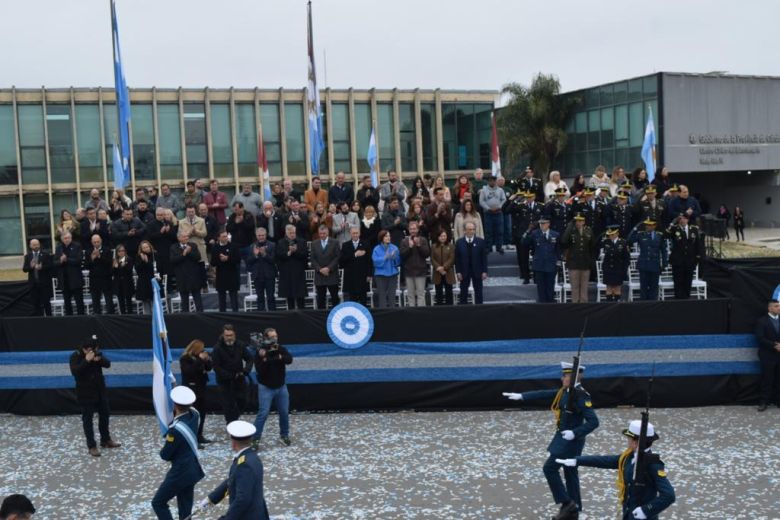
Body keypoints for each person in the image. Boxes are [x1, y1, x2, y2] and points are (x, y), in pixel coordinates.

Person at [504, 362, 599, 519]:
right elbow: (546, 394)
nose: (562, 378)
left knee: (549, 468)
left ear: (574, 377)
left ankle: (567, 503)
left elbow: (593, 422)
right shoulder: (566, 391)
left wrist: (575, 433)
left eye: (566, 376)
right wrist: (522, 396)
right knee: (570, 472)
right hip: (564, 439)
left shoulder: (581, 395)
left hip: (571, 441)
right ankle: (574, 510)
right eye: (563, 375)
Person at [558, 420, 675, 519]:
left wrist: (646, 510)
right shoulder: (628, 457)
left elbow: (669, 495)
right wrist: (577, 460)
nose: (627, 440)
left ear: (636, 442)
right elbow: (605, 460)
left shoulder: (653, 464)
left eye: (629, 438)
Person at [152, 386, 205, 520]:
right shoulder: (195, 414)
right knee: (185, 510)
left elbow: (165, 455)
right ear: (191, 403)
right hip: (192, 469)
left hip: (180, 471)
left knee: (158, 502)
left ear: (174, 404)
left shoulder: (175, 430)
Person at [199, 421, 270, 519]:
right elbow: (233, 480)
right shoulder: (251, 457)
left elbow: (243, 499)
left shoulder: (244, 464)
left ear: (233, 443)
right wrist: (211, 499)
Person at [69, 335, 121, 457]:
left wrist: (100, 360)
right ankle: (91, 446)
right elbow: (75, 372)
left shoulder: (96, 353)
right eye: (92, 350)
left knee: (105, 415)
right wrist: (86, 360)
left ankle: (106, 440)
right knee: (88, 420)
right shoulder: (75, 356)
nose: (94, 352)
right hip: (85, 393)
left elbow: (108, 364)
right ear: (86, 349)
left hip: (100, 391)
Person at [251, 328, 293, 447]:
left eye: (276, 336)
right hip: (265, 387)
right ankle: (255, 439)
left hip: (281, 386)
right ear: (266, 338)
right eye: (272, 337)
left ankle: (284, 435)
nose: (275, 339)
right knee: (263, 413)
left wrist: (276, 357)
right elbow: (260, 370)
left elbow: (289, 359)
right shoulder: (260, 351)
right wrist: (266, 359)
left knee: (284, 412)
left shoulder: (280, 348)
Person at [211, 324, 253, 424]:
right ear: (223, 335)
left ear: (234, 335)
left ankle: (234, 419)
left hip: (239, 378)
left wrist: (246, 370)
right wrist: (228, 375)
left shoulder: (240, 345)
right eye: (227, 335)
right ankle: (231, 423)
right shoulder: (217, 348)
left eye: (231, 335)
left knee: (243, 400)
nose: (229, 337)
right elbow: (216, 366)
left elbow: (249, 358)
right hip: (224, 381)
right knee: (228, 404)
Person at [179, 340, 213, 444]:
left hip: (201, 388)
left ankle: (199, 435)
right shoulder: (185, 359)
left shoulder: (200, 359)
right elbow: (189, 372)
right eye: (201, 349)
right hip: (191, 389)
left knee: (202, 412)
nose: (202, 351)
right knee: (192, 414)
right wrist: (200, 360)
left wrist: (207, 360)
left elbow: (209, 368)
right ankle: (191, 438)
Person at [666, 213, 704, 300]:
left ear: (688, 220)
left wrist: (697, 258)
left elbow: (698, 244)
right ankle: (679, 300)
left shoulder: (694, 229)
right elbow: (666, 235)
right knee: (678, 281)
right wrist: (672, 223)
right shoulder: (675, 229)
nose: (682, 220)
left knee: (688, 281)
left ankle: (686, 299)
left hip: (690, 261)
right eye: (681, 218)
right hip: (677, 261)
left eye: (684, 218)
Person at [628, 219, 667, 301]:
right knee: (643, 287)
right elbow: (630, 240)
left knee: (654, 286)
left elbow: (664, 251)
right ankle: (643, 304)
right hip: (644, 264)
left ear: (654, 226)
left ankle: (653, 304)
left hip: (655, 264)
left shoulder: (659, 235)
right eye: (646, 225)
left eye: (650, 225)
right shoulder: (641, 235)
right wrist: (635, 229)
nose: (647, 226)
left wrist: (664, 263)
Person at [523, 217, 560, 303]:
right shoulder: (534, 233)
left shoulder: (555, 234)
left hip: (551, 264)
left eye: (544, 223)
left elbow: (558, 251)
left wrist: (558, 263)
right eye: (540, 223)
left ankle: (550, 304)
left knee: (550, 287)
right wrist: (528, 231)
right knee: (541, 287)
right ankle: (542, 305)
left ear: (548, 224)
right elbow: (524, 242)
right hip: (539, 265)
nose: (542, 225)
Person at [275, 224, 309, 309]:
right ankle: (291, 316)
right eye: (290, 233)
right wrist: (288, 253)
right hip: (286, 273)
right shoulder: (280, 242)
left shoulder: (302, 241)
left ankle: (302, 315)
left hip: (299, 272)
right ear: (286, 233)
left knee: (300, 297)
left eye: (293, 232)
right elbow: (278, 256)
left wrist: (296, 251)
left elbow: (305, 255)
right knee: (289, 297)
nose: (292, 234)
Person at [755, 299, 780, 411]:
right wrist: (774, 345)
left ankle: (778, 401)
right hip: (767, 355)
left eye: (779, 306)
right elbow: (760, 338)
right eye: (776, 306)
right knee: (767, 379)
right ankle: (764, 402)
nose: (779, 308)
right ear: (769, 308)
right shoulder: (762, 321)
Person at [561, 215, 593, 303]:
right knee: (574, 287)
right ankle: (575, 305)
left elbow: (592, 246)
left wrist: (590, 260)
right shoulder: (571, 231)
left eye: (580, 221)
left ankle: (584, 305)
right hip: (573, 263)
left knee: (584, 287)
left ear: (584, 222)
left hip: (585, 263)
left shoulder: (588, 230)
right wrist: (570, 225)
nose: (578, 223)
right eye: (577, 221)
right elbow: (564, 241)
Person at [454, 222, 488, 304]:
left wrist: (484, 271)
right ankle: (464, 312)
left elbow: (484, 258)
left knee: (479, 292)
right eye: (469, 229)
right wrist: (458, 272)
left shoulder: (481, 242)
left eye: (473, 229)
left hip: (477, 270)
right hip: (464, 271)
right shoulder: (459, 242)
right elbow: (457, 259)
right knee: (463, 293)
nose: (472, 231)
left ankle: (480, 311)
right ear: (465, 231)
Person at [170, 232, 203, 312]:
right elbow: (173, 260)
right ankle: (186, 318)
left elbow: (198, 257)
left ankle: (201, 316)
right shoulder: (173, 247)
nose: (186, 238)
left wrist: (189, 252)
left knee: (198, 300)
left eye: (187, 237)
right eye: (184, 237)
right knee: (184, 302)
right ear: (179, 238)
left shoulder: (193, 245)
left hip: (193, 276)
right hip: (182, 277)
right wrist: (184, 254)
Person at [400, 220, 430, 307]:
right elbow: (402, 255)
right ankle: (412, 314)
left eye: (414, 229)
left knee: (420, 294)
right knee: (410, 295)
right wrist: (409, 247)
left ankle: (421, 314)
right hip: (408, 271)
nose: (413, 230)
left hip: (420, 271)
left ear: (417, 229)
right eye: (411, 229)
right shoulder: (404, 241)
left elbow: (427, 254)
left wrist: (419, 245)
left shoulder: (423, 240)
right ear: (408, 230)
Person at [311, 224, 341, 309]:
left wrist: (328, 268)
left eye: (324, 233)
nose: (322, 235)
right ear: (318, 233)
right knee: (320, 299)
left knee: (335, 298)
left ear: (327, 232)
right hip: (319, 276)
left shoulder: (335, 242)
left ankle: (336, 318)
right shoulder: (314, 243)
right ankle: (321, 319)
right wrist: (320, 269)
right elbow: (312, 259)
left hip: (332, 275)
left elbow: (337, 257)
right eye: (320, 233)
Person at [340, 227, 372, 305]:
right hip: (350, 277)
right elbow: (341, 261)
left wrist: (369, 274)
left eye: (356, 233)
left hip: (363, 276)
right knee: (352, 302)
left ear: (359, 233)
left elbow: (369, 261)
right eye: (353, 233)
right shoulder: (345, 245)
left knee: (363, 301)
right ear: (350, 234)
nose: (355, 235)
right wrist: (355, 254)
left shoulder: (366, 244)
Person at [247, 228, 277, 312]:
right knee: (260, 298)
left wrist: (264, 254)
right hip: (257, 276)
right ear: (256, 236)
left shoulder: (272, 245)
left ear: (266, 235)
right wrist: (255, 255)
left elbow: (273, 260)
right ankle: (261, 318)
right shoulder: (252, 246)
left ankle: (273, 317)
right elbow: (248, 261)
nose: (261, 237)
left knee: (271, 297)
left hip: (269, 276)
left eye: (263, 235)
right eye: (259, 235)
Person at [55, 232, 85, 316]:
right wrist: (60, 261)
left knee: (79, 302)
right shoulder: (58, 248)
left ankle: (81, 319)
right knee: (67, 303)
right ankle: (69, 320)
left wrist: (66, 259)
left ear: (71, 238)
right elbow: (54, 262)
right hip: (64, 280)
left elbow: (79, 260)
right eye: (65, 238)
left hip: (75, 279)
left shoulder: (77, 246)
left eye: (68, 238)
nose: (67, 239)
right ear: (61, 239)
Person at [84, 234, 115, 314]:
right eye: (94, 242)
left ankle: (110, 319)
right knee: (95, 302)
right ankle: (97, 320)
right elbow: (86, 266)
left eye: (98, 242)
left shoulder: (107, 250)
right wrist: (92, 259)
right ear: (91, 242)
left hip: (105, 279)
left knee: (109, 301)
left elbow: (109, 263)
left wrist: (100, 257)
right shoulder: (88, 251)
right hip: (94, 280)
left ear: (101, 241)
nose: (96, 244)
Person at [22, 238, 53, 316]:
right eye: (34, 245)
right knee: (36, 304)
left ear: (39, 245)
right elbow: (24, 269)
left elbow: (51, 266)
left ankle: (50, 320)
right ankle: (39, 320)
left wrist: (41, 268)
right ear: (30, 246)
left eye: (37, 244)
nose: (36, 246)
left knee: (46, 303)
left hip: (44, 284)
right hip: (33, 285)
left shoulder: (46, 254)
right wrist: (31, 266)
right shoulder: (28, 256)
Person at [212, 231, 241, 313]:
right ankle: (222, 315)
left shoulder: (234, 246)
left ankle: (236, 315)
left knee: (234, 299)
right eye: (224, 236)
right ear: (219, 238)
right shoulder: (215, 247)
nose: (226, 238)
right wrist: (220, 259)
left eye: (226, 236)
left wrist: (228, 258)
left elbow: (238, 260)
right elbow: (213, 263)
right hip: (221, 275)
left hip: (232, 275)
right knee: (221, 299)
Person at [599, 225, 630, 302]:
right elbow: (599, 250)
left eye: (612, 234)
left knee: (617, 289)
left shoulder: (623, 243)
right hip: (608, 269)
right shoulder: (606, 242)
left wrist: (624, 270)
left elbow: (626, 258)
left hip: (618, 269)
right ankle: (608, 306)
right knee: (608, 288)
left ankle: (617, 306)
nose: (611, 236)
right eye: (609, 234)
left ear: (617, 234)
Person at [372, 230, 401, 308]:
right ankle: (383, 314)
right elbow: (375, 262)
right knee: (382, 296)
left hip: (392, 274)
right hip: (380, 275)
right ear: (381, 238)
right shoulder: (376, 249)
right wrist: (384, 257)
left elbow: (398, 262)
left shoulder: (394, 248)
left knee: (392, 295)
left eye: (389, 236)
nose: (388, 238)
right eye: (386, 236)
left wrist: (394, 258)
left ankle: (393, 314)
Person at [479, 175, 506, 254]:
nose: (492, 182)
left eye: (494, 180)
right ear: (488, 181)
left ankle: (499, 247)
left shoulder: (500, 190)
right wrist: (488, 208)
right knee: (488, 231)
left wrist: (499, 206)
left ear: (496, 181)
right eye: (490, 180)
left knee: (500, 231)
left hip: (498, 213)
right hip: (488, 213)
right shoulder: (484, 190)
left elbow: (504, 199)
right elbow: (481, 201)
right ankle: (488, 247)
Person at [226, 202, 256, 267]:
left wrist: (242, 222)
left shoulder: (249, 215)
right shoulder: (232, 216)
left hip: (247, 245)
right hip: (236, 245)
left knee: (250, 265)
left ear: (242, 208)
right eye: (234, 209)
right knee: (236, 266)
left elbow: (250, 227)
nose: (235, 211)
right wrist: (236, 223)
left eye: (237, 209)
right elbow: (228, 228)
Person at [430, 229, 455, 305]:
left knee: (449, 292)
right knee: (439, 293)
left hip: (448, 273)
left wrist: (443, 267)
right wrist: (439, 268)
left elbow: (452, 258)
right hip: (437, 273)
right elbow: (432, 258)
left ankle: (449, 309)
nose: (443, 237)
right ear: (438, 237)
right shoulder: (433, 246)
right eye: (441, 236)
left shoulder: (451, 246)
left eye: (444, 236)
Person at [134, 241, 157, 314]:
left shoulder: (155, 254)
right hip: (143, 282)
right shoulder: (138, 256)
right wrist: (143, 261)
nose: (146, 249)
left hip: (153, 281)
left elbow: (158, 267)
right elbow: (137, 270)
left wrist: (147, 261)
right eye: (144, 248)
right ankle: (147, 320)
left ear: (150, 246)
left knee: (154, 302)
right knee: (146, 302)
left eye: (147, 247)